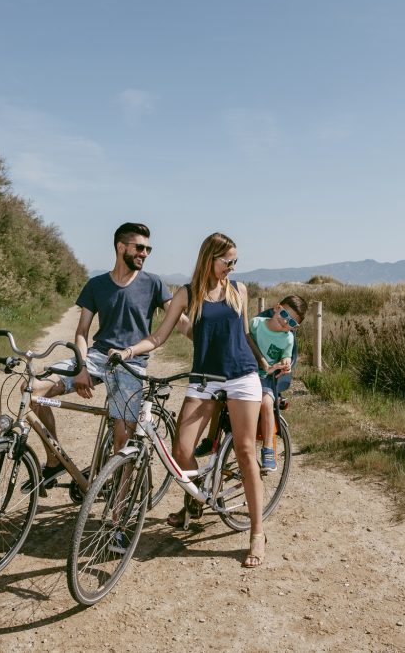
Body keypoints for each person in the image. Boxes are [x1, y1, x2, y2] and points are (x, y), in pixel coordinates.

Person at [111, 232, 268, 568]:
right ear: (209, 258)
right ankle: (196, 500)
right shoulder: (187, 294)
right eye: (227, 261)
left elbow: (244, 336)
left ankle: (256, 532)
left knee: (244, 451)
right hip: (203, 379)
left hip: (242, 377)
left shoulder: (239, 291)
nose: (232, 267)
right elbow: (158, 335)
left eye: (235, 262)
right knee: (181, 450)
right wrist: (127, 351)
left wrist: (263, 367)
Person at [29, 222, 185, 490]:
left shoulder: (153, 284)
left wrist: (214, 339)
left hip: (131, 364)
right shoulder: (97, 285)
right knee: (32, 390)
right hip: (97, 357)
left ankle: (118, 512)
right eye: (139, 247)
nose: (145, 253)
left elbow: (179, 320)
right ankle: (54, 460)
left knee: (121, 441)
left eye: (148, 248)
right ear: (121, 247)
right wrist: (81, 367)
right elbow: (81, 332)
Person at [246, 295, 306, 471]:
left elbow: (287, 355)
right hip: (246, 372)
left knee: (266, 403)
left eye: (292, 323)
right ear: (277, 308)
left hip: (267, 377)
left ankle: (268, 449)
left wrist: (286, 362)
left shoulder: (287, 339)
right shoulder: (256, 324)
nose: (285, 322)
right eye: (285, 314)